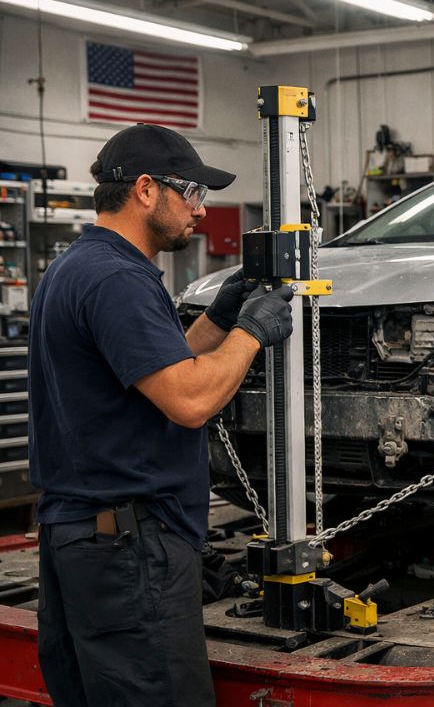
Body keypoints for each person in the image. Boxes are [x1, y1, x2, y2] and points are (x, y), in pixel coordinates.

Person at [28, 124, 295, 706]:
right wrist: (253, 334)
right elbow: (190, 399)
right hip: (129, 548)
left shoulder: (78, 266)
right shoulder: (119, 278)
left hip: (82, 536)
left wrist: (222, 320)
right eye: (192, 193)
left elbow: (154, 374)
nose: (202, 210)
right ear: (146, 190)